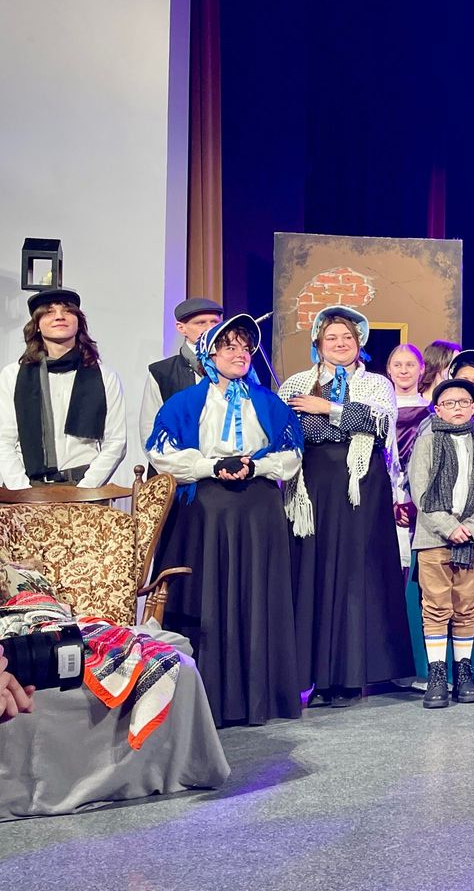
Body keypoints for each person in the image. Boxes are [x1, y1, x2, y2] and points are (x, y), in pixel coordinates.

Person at [146, 313, 305, 727]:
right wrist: (210, 466)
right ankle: (210, 698)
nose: (241, 354)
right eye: (229, 347)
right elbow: (161, 454)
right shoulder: (185, 403)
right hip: (207, 511)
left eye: (246, 347)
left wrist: (256, 466)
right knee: (210, 596)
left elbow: (292, 454)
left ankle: (259, 696)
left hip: (258, 511)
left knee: (256, 596)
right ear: (209, 355)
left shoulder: (268, 402)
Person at [280, 305, 413, 706]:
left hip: (362, 485)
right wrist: (340, 418)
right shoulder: (297, 383)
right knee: (316, 572)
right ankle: (317, 676)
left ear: (360, 343)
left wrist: (328, 409)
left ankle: (353, 675)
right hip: (314, 484)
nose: (340, 344)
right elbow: (287, 429)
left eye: (347, 338)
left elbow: (380, 423)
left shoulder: (376, 383)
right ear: (318, 343)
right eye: (331, 338)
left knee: (357, 573)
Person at [404, 350, 474, 692]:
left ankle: (464, 673)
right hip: (434, 537)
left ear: (473, 406)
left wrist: (473, 526)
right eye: (449, 402)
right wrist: (448, 526)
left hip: (473, 538)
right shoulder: (426, 442)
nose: (457, 407)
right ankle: (438, 675)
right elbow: (421, 491)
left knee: (467, 606)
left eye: (464, 402)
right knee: (436, 606)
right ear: (438, 408)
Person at [0, 289, 127, 490]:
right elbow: (4, 440)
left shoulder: (104, 376)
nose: (59, 316)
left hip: (84, 488)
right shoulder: (13, 375)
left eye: (67, 311)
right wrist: (22, 490)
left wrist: (86, 489)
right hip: (26, 488)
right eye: (49, 312)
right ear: (37, 325)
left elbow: (115, 441)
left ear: (79, 322)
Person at [138, 296, 223, 451]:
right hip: (177, 460)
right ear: (181, 328)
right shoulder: (162, 372)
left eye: (215, 322)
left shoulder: (235, 367)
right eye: (201, 323)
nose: (210, 328)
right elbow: (149, 428)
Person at [387, 343, 430, 570]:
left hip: (417, 495)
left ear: (421, 369)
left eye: (410, 365)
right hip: (385, 492)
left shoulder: (431, 411)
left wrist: (415, 501)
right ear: (389, 370)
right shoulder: (379, 410)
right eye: (398, 365)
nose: (404, 370)